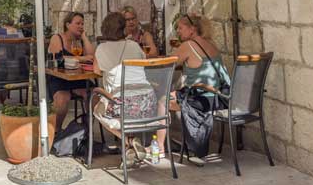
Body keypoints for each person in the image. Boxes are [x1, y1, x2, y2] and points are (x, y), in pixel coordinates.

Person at [93, 11, 166, 163]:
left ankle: (128, 141)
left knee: (96, 108)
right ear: (124, 28)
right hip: (147, 104)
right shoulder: (134, 46)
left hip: (123, 105)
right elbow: (144, 61)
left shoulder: (101, 49)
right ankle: (132, 145)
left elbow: (96, 71)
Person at [170, 13, 231, 164]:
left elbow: (169, 62)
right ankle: (187, 140)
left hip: (200, 99)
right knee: (176, 96)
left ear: (192, 29)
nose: (178, 31)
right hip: (219, 99)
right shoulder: (211, 44)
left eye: (181, 28)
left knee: (162, 100)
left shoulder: (188, 45)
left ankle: (158, 145)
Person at [46, 12, 95, 132]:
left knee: (94, 95)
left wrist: (84, 37)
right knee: (63, 98)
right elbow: (59, 58)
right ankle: (56, 130)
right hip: (59, 79)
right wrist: (82, 58)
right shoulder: (57, 38)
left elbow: (92, 57)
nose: (81, 26)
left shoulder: (80, 41)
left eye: (82, 24)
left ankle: (86, 130)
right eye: (77, 23)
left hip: (78, 79)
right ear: (67, 25)